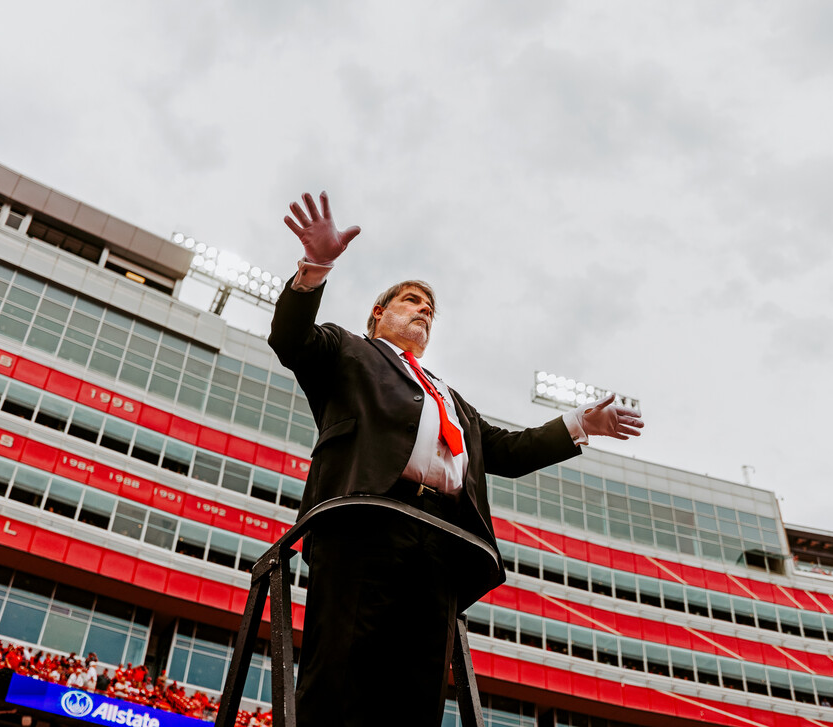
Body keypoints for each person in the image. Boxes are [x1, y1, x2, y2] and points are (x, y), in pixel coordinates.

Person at [268, 192, 644, 727]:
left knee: (417, 694)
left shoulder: (451, 399)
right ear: (379, 313)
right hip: (365, 524)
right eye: (411, 300)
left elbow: (507, 453)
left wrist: (581, 424)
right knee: (340, 672)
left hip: (441, 544)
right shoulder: (348, 352)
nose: (424, 309)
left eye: (430, 308)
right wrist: (316, 267)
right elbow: (290, 338)